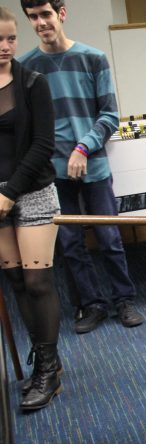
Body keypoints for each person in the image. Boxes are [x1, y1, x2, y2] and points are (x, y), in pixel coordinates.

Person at [19, 0, 144, 334]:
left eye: (45, 14)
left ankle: (124, 300)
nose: (40, 22)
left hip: (94, 166)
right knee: (71, 244)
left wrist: (82, 148)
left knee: (109, 237)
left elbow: (109, 115)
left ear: (61, 14)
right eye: (33, 17)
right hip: (52, 175)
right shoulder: (25, 68)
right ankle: (91, 304)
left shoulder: (93, 58)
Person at [0, 5, 63, 410]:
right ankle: (41, 355)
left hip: (34, 192)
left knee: (38, 281)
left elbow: (43, 145)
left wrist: (9, 194)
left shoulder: (33, 82)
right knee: (17, 282)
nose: (5, 47)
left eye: (10, 38)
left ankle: (49, 368)